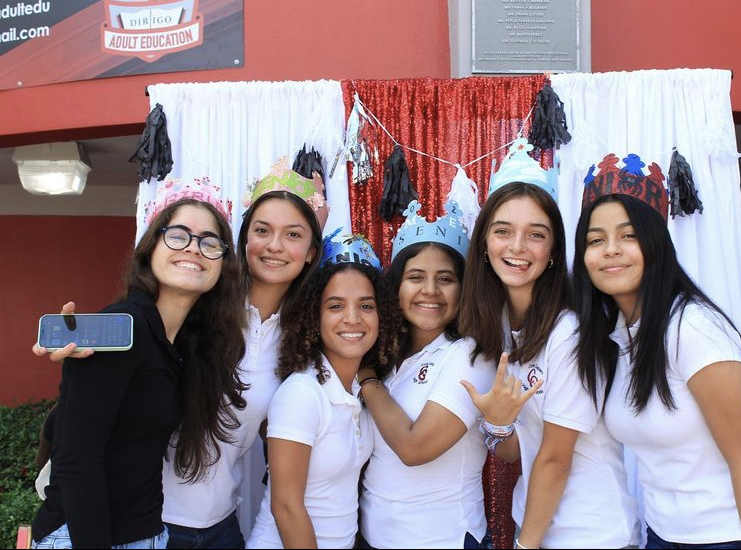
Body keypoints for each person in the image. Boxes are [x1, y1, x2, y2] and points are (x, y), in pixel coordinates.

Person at [33, 162, 328, 549]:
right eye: (261, 230)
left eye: (293, 234)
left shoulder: (302, 335)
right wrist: (75, 348)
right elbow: (80, 449)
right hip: (138, 522)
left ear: (311, 252)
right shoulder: (181, 319)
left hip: (216, 523)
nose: (274, 246)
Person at [572, 155, 741, 549]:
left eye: (629, 235)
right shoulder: (616, 335)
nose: (610, 250)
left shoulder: (693, 330)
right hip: (663, 532)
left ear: (656, 243)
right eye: (595, 240)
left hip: (731, 534)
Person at [31, 196, 247, 549]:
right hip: (85, 537)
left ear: (223, 264)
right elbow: (76, 458)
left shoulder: (183, 344)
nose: (194, 249)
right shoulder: (122, 327)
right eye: (179, 235)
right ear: (150, 249)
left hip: (146, 533)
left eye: (210, 243)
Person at [458, 139, 640, 549]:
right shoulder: (504, 326)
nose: (517, 247)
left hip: (592, 533)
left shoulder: (570, 333)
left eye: (535, 235)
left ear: (554, 249)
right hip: (542, 527)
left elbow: (557, 458)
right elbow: (518, 452)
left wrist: (525, 545)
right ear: (485, 244)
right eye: (503, 231)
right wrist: (498, 424)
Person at [246, 230, 402, 549]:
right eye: (335, 306)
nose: (352, 318)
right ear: (314, 317)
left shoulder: (362, 388)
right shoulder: (302, 393)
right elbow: (286, 508)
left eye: (366, 306)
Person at [356, 200, 495, 549]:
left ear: (464, 289)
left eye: (445, 279)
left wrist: (367, 379)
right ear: (396, 287)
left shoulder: (470, 354)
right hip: (376, 538)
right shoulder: (389, 356)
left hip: (441, 539)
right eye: (415, 277)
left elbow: (414, 448)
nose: (430, 291)